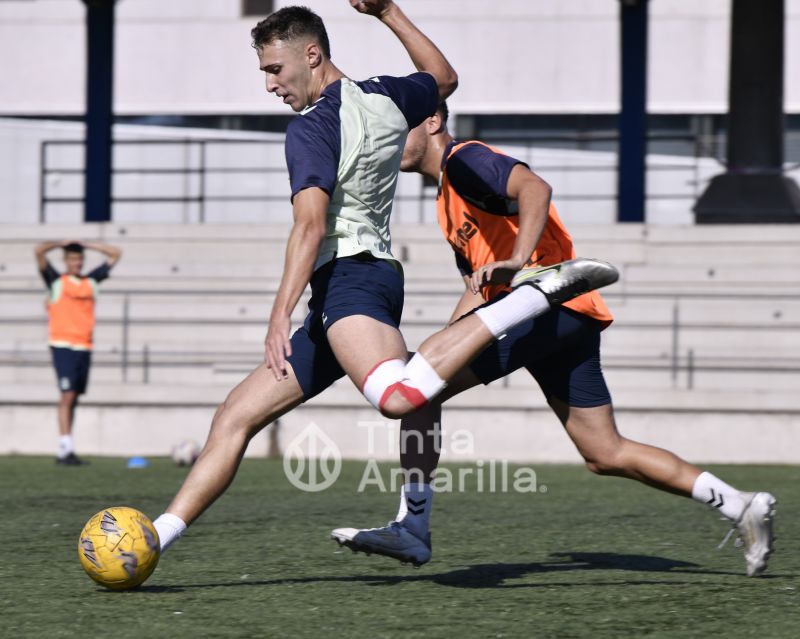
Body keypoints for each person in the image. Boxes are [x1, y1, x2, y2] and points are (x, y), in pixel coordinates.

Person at [149, 1, 618, 557]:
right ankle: (157, 537)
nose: (270, 85)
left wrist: (278, 314)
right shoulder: (387, 97)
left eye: (275, 70)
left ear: (312, 54)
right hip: (354, 285)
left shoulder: (312, 127)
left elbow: (311, 224)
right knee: (237, 415)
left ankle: (530, 299)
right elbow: (443, 79)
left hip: (350, 279)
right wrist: (387, 12)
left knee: (399, 397)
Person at [330, 102, 778, 577]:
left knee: (420, 390)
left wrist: (520, 261)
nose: (387, 141)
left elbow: (535, 187)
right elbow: (476, 288)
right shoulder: (446, 196)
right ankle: (738, 503)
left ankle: (412, 526)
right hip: (565, 317)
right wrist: (449, 339)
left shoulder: (465, 159)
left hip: (544, 308)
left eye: (396, 129)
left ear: (433, 121)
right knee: (605, 453)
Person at [35, 239, 122, 465]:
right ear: (66, 261)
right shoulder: (56, 281)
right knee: (67, 396)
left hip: (84, 346)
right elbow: (39, 251)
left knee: (74, 398)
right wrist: (61, 243)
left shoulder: (91, 281)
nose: (78, 262)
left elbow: (115, 253)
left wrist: (87, 245)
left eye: (80, 258)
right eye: (73, 258)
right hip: (62, 344)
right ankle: (64, 448)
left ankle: (67, 448)